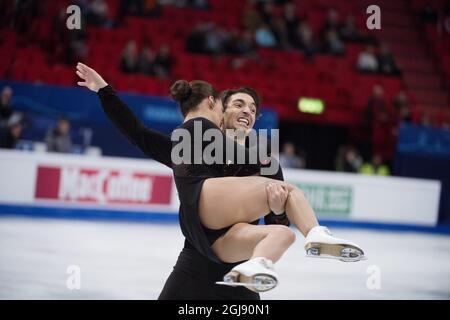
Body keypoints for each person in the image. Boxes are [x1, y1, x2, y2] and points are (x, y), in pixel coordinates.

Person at [76, 63, 365, 294]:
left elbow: (277, 224)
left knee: (284, 230)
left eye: (253, 110)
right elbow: (137, 134)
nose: (247, 112)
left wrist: (277, 210)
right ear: (220, 110)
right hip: (197, 260)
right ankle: (314, 235)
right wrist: (103, 90)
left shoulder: (265, 163)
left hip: (240, 257)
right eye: (239, 104)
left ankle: (274, 258)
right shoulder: (189, 145)